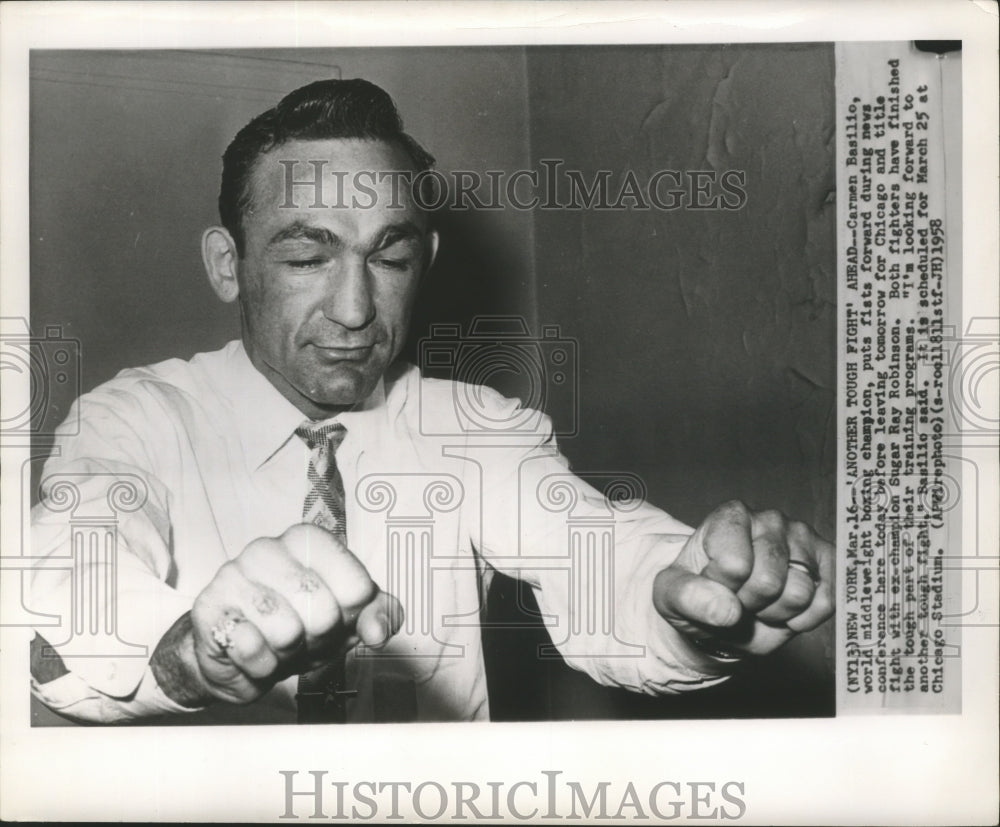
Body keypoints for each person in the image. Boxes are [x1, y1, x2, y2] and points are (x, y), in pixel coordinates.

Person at [29, 78, 834, 725]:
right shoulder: (133, 419)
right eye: (308, 255)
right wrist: (185, 656)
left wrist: (681, 596)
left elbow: (597, 550)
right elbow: (64, 598)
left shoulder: (477, 427)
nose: (354, 309)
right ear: (227, 265)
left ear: (429, 258)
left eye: (391, 255)